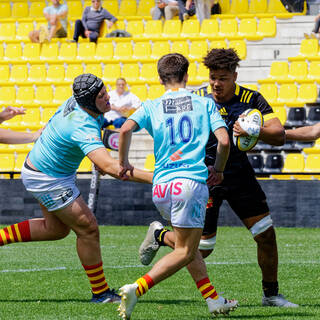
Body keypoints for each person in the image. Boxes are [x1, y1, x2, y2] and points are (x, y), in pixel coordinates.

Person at [139, 48, 299, 308]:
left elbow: (279, 134)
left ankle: (271, 294)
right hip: (203, 178)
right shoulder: (198, 99)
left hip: (239, 176)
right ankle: (160, 236)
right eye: (213, 77)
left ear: (235, 76)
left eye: (223, 78)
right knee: (200, 249)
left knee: (266, 235)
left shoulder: (251, 98)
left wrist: (253, 130)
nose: (216, 83)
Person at [0, 74, 153, 304]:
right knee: (88, 228)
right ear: (89, 102)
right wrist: (157, 178)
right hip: (48, 178)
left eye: (105, 91)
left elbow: (98, 145)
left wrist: (98, 157)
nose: (108, 97)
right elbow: (111, 168)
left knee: (56, 230)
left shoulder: (82, 103)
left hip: (45, 169)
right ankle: (101, 293)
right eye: (102, 96)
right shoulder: (81, 123)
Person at [117, 53, 237, 320]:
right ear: (187, 76)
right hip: (189, 185)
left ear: (160, 79)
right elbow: (224, 142)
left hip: (161, 188)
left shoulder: (151, 105)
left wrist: (123, 163)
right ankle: (137, 288)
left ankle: (213, 300)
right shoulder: (204, 104)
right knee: (185, 250)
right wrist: (218, 170)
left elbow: (124, 130)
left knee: (187, 247)